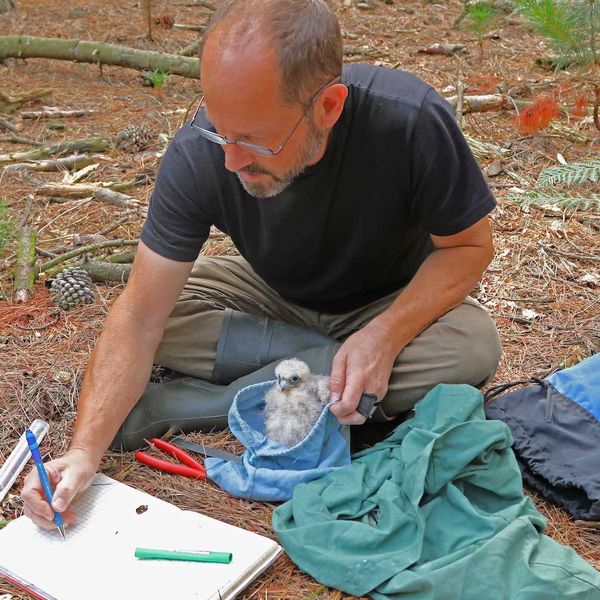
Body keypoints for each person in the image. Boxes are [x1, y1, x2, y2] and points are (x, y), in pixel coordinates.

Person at [22, 0, 501, 530]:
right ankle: (323, 369)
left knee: (472, 344)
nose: (231, 160)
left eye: (253, 139)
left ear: (329, 107)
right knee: (158, 312)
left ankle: (210, 400)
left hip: (386, 301)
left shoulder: (409, 122)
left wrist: (383, 337)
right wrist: (85, 451)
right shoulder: (202, 153)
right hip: (269, 294)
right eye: (219, 131)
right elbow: (139, 317)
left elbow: (468, 248)